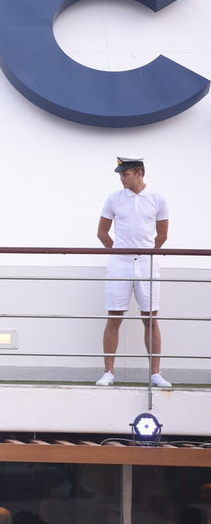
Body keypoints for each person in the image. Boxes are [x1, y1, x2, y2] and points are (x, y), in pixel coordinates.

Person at [95, 157, 170, 388]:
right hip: (121, 263)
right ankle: (108, 372)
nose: (121, 178)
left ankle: (155, 373)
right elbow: (102, 232)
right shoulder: (114, 198)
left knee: (150, 317)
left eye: (125, 174)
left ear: (139, 173)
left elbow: (162, 235)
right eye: (120, 174)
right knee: (114, 316)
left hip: (147, 263)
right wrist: (119, 252)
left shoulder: (157, 199)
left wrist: (147, 254)